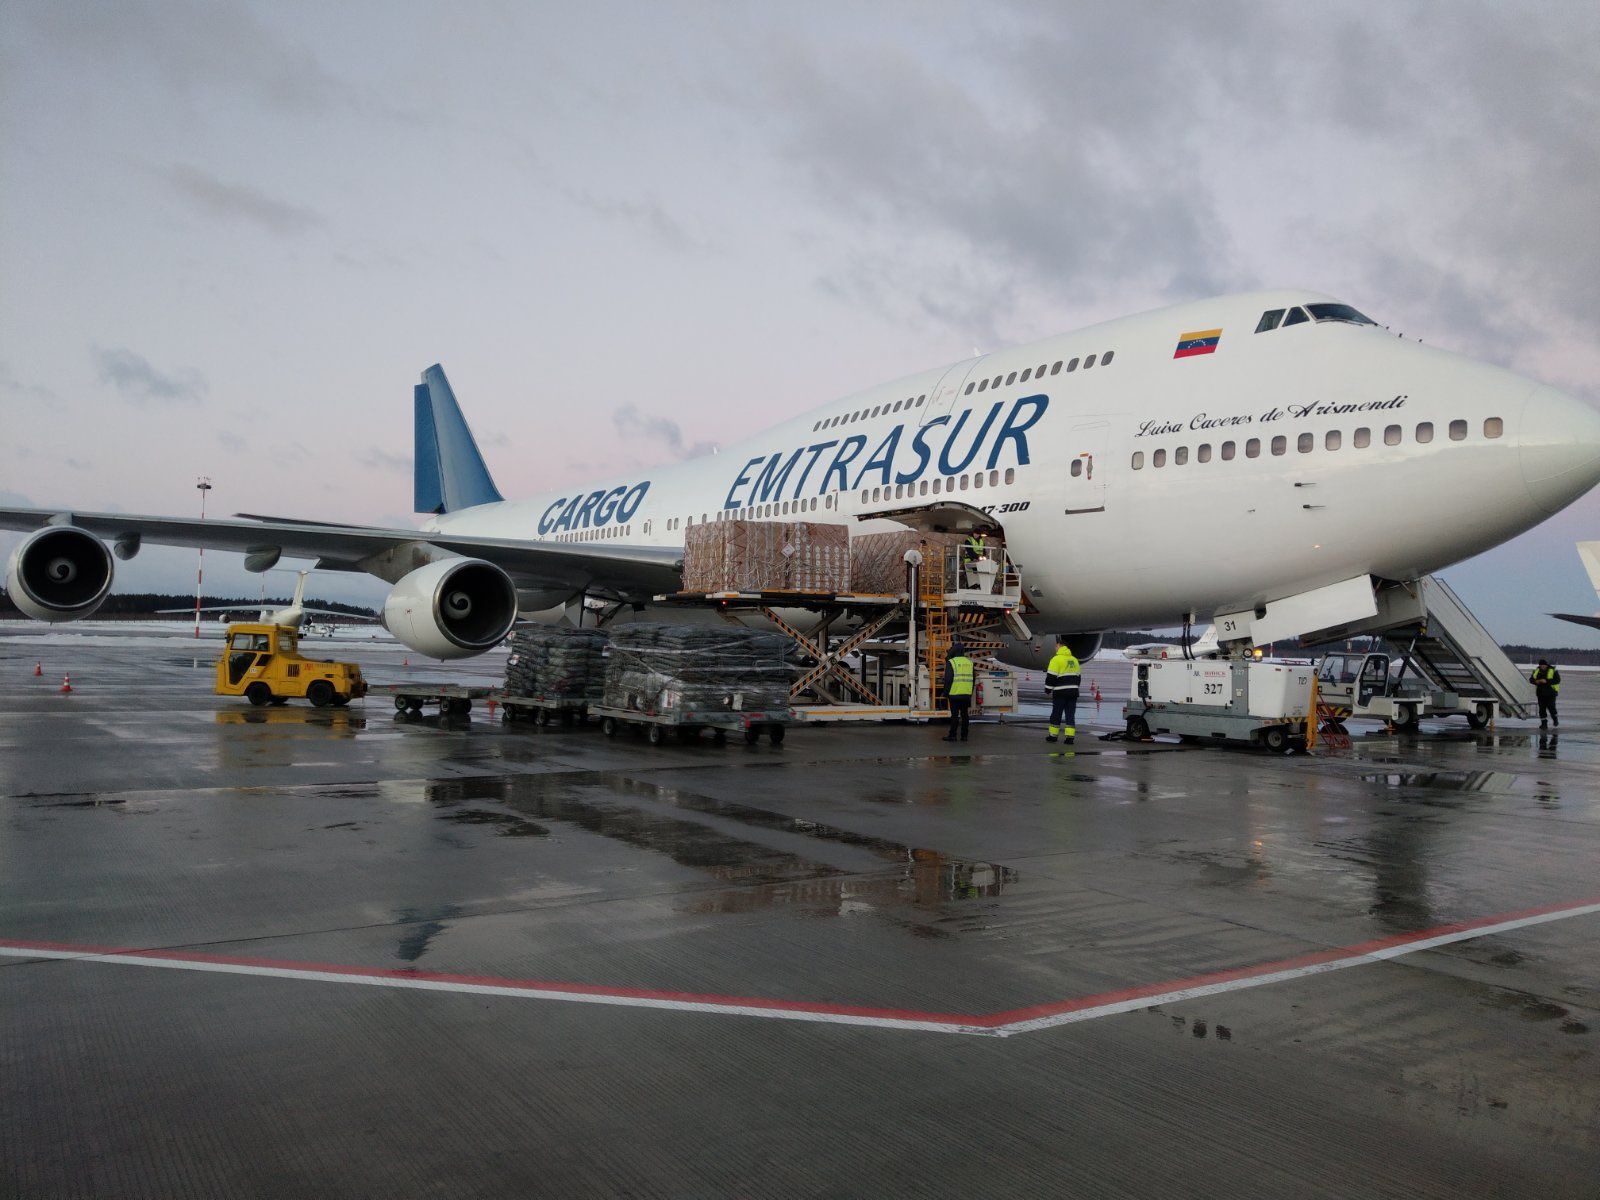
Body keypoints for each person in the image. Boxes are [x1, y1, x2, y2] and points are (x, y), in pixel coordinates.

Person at [1044, 635, 1081, 742]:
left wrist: (1048, 689)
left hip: (1060, 692)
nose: (1055, 648)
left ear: (1060, 646)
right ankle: (1070, 738)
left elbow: (1051, 676)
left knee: (1056, 714)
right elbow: (1078, 677)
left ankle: (1053, 736)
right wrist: (1074, 688)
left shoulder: (1056, 659)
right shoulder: (1074, 660)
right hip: (1073, 693)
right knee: (1070, 715)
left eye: (1056, 646)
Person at [942, 642, 975, 742]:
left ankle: (952, 735)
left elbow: (948, 679)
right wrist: (970, 692)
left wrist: (945, 692)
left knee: (955, 716)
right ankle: (964, 736)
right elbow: (973, 679)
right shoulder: (969, 662)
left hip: (954, 693)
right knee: (965, 715)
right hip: (966, 694)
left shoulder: (952, 662)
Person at [1531, 659, 1561, 727]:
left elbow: (1557, 680)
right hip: (1540, 693)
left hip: (1551, 693)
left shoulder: (1553, 670)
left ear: (1546, 665)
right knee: (1542, 709)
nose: (1542, 667)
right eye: (1541, 665)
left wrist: (1546, 681)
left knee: (1551, 707)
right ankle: (1544, 724)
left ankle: (1555, 720)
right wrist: (1536, 681)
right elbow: (1531, 679)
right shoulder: (1537, 670)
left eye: (1543, 665)